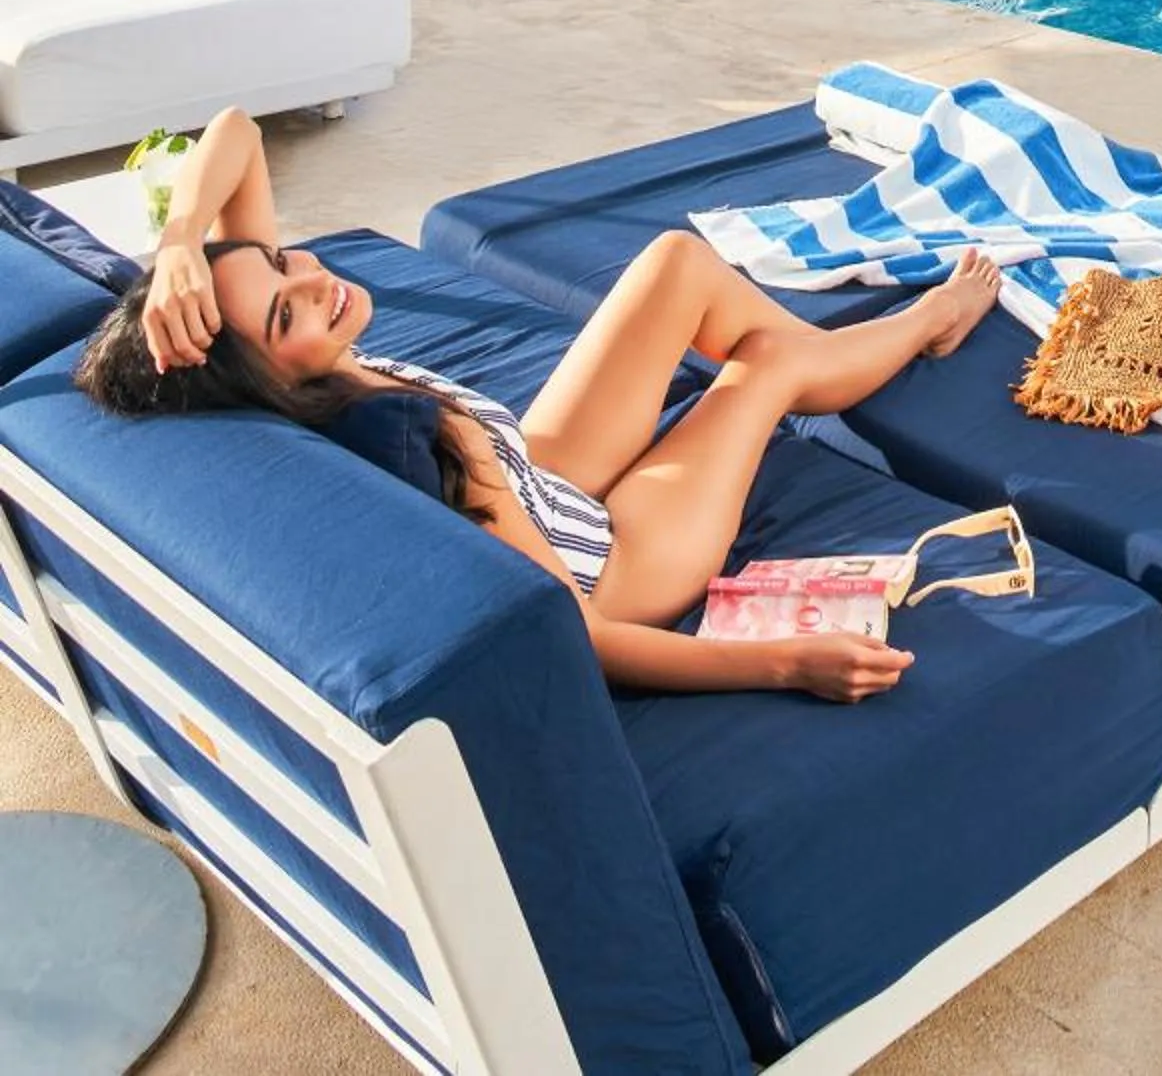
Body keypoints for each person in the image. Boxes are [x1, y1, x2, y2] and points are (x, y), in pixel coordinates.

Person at [76, 106, 1001, 703]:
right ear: (274, 380)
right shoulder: (417, 440)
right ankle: (926, 322)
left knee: (676, 266)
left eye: (281, 258)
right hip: (619, 563)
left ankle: (832, 350)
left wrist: (184, 243)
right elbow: (584, 636)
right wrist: (786, 663)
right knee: (764, 368)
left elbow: (235, 130)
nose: (313, 275)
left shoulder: (280, 371)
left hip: (538, 470)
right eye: (287, 308)